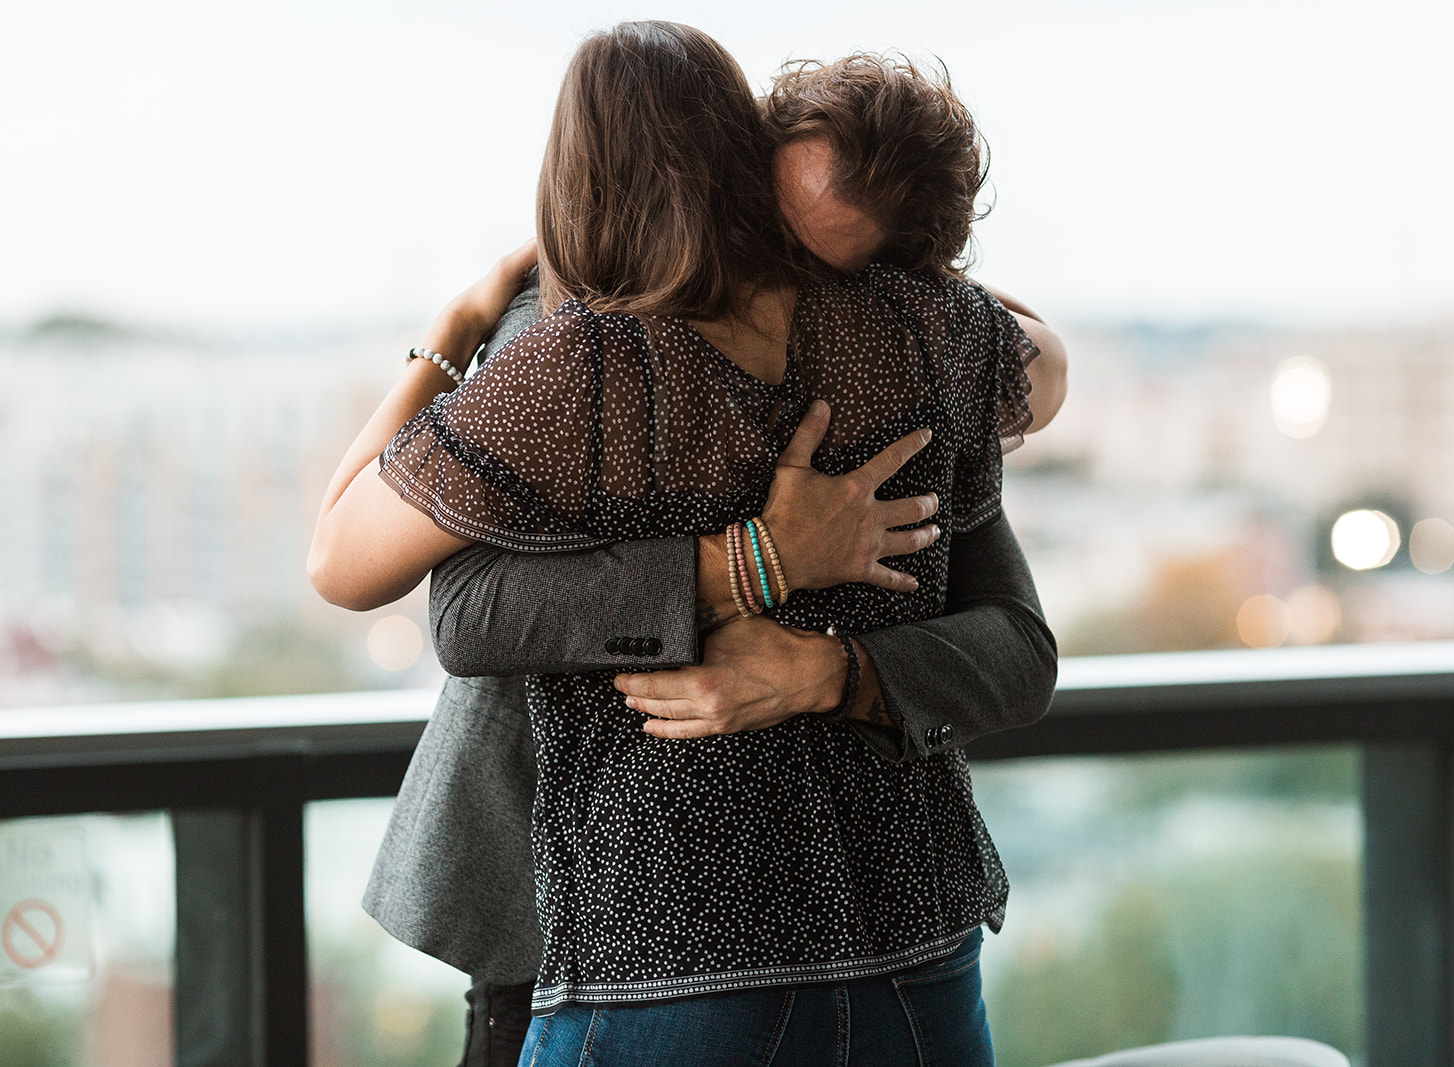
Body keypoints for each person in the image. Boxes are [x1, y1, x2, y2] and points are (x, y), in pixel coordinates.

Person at [310, 23, 1054, 1065]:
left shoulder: (577, 365)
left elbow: (397, 587)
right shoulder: (943, 331)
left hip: (670, 942)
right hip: (918, 939)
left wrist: (459, 326)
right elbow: (1025, 622)